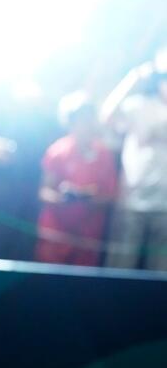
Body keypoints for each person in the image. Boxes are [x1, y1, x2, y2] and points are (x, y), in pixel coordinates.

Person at [34, 93, 117, 266]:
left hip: (88, 237)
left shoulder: (104, 155)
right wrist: (63, 198)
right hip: (56, 235)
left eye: (89, 119)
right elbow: (44, 191)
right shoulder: (57, 152)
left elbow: (111, 195)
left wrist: (88, 196)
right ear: (70, 122)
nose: (86, 125)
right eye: (81, 119)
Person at [101, 55, 167, 270]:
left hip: (165, 206)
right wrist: (134, 78)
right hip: (133, 200)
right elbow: (107, 115)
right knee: (121, 267)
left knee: (160, 273)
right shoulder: (138, 106)